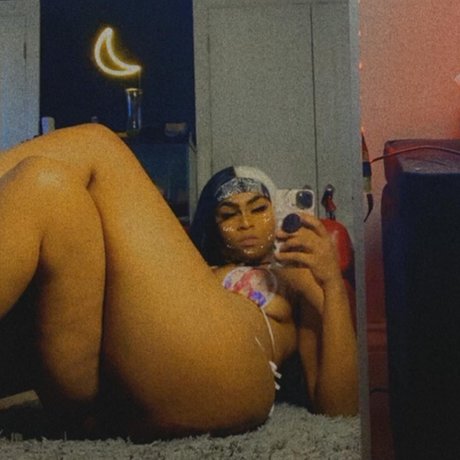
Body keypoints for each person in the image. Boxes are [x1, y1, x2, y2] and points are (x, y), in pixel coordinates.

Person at [0, 124, 358, 441]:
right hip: (103, 386)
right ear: (212, 227)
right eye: (229, 214)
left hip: (231, 374)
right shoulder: (187, 273)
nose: (246, 222)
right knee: (45, 182)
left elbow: (341, 409)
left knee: (99, 143)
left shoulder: (293, 274)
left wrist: (332, 284)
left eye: (259, 208)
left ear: (276, 213)